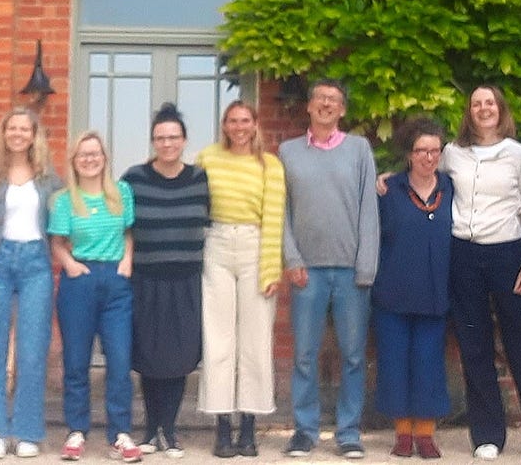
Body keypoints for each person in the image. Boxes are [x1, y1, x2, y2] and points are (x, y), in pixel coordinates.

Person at [437, 86, 521, 461]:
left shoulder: (518, 155)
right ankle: (487, 436)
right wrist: (389, 179)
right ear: (469, 111)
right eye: (476, 103)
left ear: (501, 110)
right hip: (463, 253)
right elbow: (425, 182)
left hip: (509, 254)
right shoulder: (452, 153)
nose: (483, 109)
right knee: (474, 345)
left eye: (490, 103)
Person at [279, 79, 380, 459]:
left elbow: (369, 210)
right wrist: (292, 259)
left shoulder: (359, 150)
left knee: (353, 355)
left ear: (342, 110)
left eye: (334, 100)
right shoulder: (288, 152)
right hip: (307, 271)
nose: (326, 104)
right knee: (304, 354)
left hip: (351, 272)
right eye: (320, 98)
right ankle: (305, 431)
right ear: (308, 106)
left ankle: (349, 433)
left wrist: (366, 265)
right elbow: (281, 212)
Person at [0, 107, 63, 459]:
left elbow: (62, 226)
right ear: (4, 133)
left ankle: (27, 431)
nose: (19, 134)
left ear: (34, 135)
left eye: (26, 129)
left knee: (33, 351)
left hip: (37, 264)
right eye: (13, 128)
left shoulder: (50, 180)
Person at [195, 101, 286, 458]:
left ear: (255, 124)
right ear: (224, 125)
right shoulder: (207, 158)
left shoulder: (270, 165)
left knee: (255, 341)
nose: (239, 127)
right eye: (232, 121)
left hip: (254, 244)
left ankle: (249, 428)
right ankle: (221, 428)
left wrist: (270, 269)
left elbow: (274, 217)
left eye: (245, 120)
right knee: (218, 339)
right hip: (216, 242)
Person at [121, 103, 211, 458]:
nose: (167, 143)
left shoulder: (201, 179)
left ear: (184, 140)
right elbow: (122, 224)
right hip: (146, 279)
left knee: (179, 357)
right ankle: (149, 427)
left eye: (174, 137)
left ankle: (170, 430)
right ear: (153, 142)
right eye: (161, 138)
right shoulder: (134, 179)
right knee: (148, 355)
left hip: (186, 280)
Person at [50, 131, 141, 464]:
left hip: (116, 282)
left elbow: (128, 232)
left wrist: (127, 260)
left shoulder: (122, 193)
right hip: (80, 282)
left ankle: (120, 434)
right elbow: (57, 242)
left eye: (95, 153)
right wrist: (71, 266)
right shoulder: (64, 200)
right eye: (82, 155)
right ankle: (77, 431)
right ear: (74, 161)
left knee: (119, 360)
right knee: (76, 361)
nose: (90, 159)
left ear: (104, 157)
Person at [373, 118, 453, 460]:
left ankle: (426, 434)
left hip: (435, 292)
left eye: (435, 150)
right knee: (394, 362)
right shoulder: (388, 189)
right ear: (409, 153)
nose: (429, 157)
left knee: (429, 363)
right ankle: (403, 434)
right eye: (422, 150)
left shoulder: (451, 187)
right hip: (393, 290)